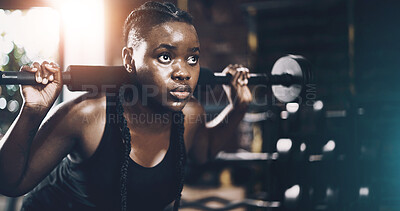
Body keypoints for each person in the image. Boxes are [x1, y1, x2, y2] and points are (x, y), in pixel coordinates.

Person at [0, 1, 252, 211]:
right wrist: (32, 110)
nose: (183, 72)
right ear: (130, 60)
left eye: (192, 58)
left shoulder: (190, 113)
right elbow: (11, 183)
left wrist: (237, 107)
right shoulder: (88, 115)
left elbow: (203, 151)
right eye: (165, 56)